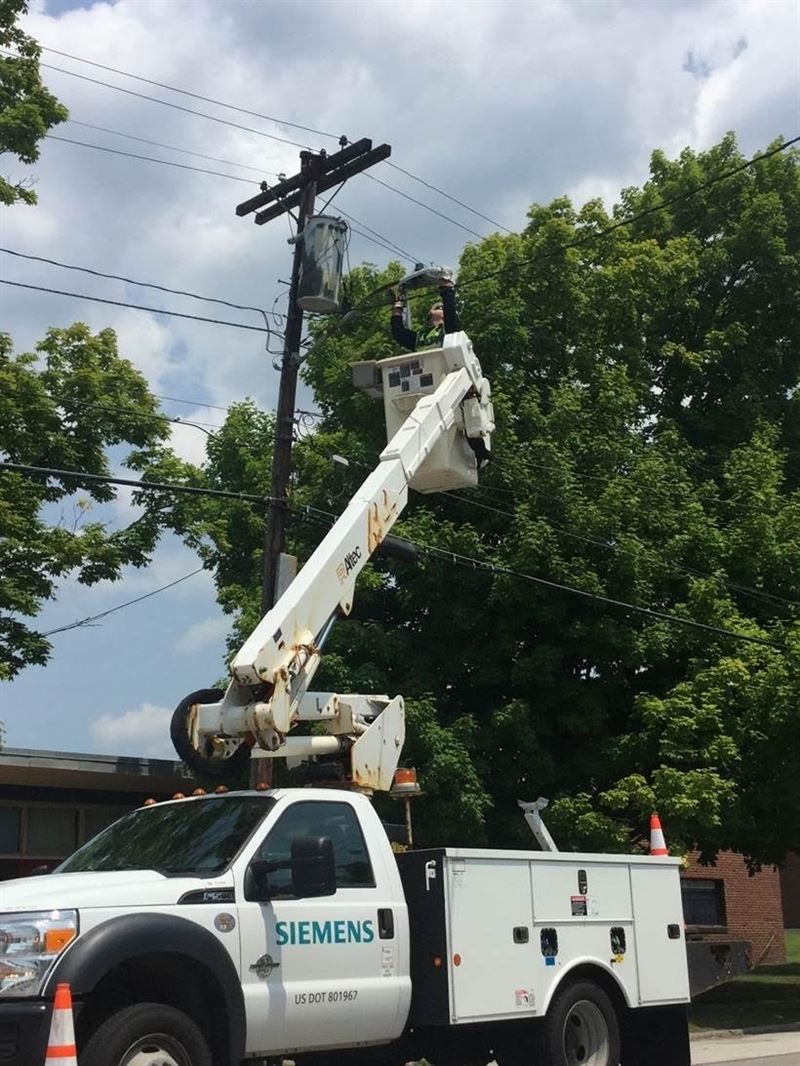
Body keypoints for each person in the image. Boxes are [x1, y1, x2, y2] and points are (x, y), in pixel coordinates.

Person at [390, 275, 460, 351]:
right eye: (438, 307)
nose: (442, 308)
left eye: (441, 308)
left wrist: (446, 287)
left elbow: (449, 308)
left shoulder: (450, 329)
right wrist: (397, 307)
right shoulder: (420, 337)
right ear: (429, 314)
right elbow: (398, 333)